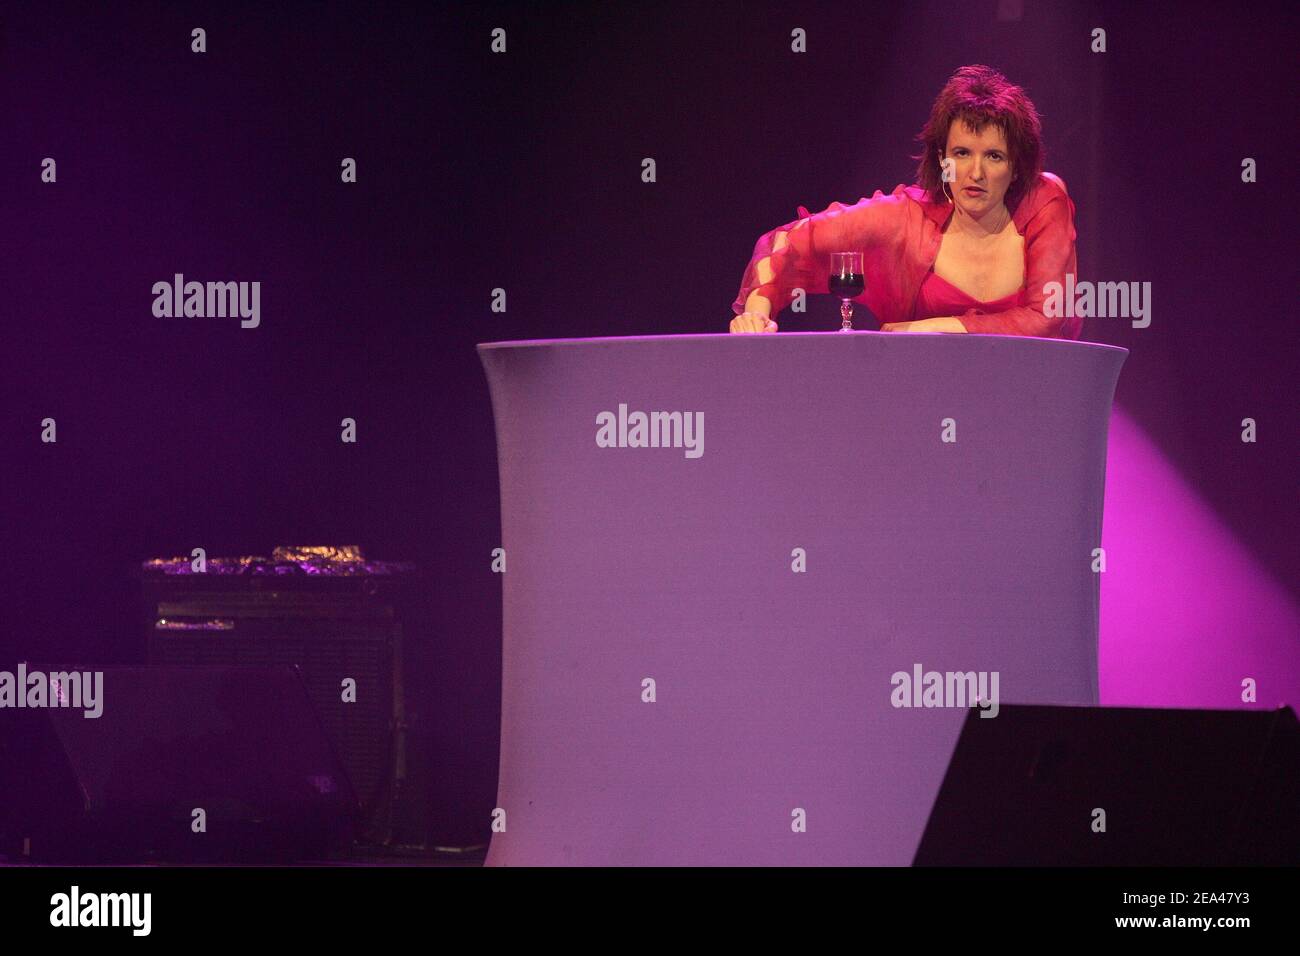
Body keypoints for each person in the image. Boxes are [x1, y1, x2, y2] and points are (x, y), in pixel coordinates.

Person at [729, 65, 1080, 339]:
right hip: (923, 399)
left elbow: (1046, 318)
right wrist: (758, 311)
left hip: (1030, 400)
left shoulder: (1044, 203)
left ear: (1017, 166)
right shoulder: (904, 219)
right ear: (942, 159)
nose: (976, 172)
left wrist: (937, 326)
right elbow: (792, 241)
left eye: (994, 156)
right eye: (961, 153)